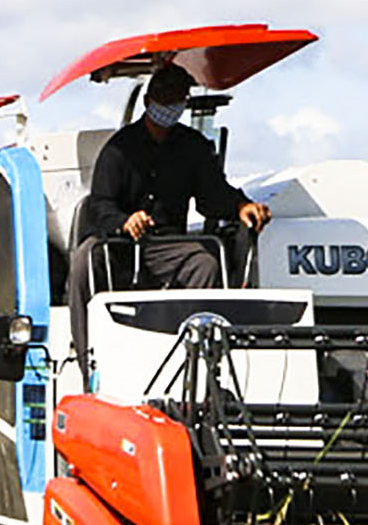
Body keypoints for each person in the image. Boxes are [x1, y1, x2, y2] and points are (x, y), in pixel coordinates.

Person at [66, 62, 271, 383]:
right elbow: (100, 206)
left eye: (178, 100)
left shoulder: (194, 148)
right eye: (165, 100)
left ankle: (200, 367)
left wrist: (241, 206)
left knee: (205, 263)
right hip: (119, 245)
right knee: (83, 264)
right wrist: (125, 221)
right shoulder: (118, 149)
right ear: (149, 102)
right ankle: (87, 365)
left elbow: (212, 197)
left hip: (168, 245)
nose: (171, 107)